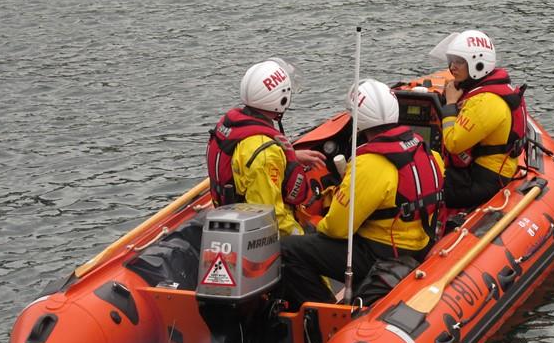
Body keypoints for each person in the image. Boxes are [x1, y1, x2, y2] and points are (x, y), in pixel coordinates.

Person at [280, 79, 445, 308]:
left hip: (380, 253)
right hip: (419, 245)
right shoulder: (427, 152)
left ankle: (322, 310)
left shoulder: (368, 165)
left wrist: (314, 226)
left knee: (287, 250)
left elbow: (337, 228)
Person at [205, 58, 325, 237]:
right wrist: (303, 237)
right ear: (281, 98)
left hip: (232, 213)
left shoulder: (235, 125)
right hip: (258, 235)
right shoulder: (266, 155)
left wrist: (290, 156)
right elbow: (270, 217)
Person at [430, 29, 528, 209]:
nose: (452, 67)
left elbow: (453, 143)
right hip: (482, 171)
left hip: (485, 179)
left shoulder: (486, 101)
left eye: (459, 62)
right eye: (452, 61)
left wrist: (451, 104)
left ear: (478, 63)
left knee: (424, 185)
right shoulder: (488, 89)